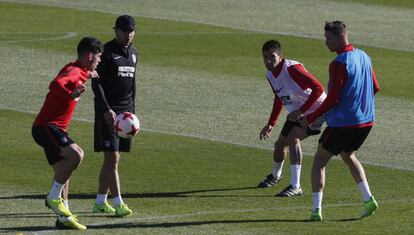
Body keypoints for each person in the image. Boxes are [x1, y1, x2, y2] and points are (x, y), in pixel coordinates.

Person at [300, 21, 380, 221]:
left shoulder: (339, 63)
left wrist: (310, 118)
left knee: (319, 161)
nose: (326, 43)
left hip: (344, 123)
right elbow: (375, 87)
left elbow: (333, 98)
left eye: (328, 39)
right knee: (347, 155)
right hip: (366, 122)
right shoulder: (364, 56)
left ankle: (316, 210)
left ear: (340, 37)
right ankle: (368, 198)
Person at [32, 37, 103, 230]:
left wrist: (89, 75)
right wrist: (70, 94)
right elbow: (55, 84)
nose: (100, 60)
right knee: (76, 155)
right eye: (98, 57)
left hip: (51, 128)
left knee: (64, 170)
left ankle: (64, 217)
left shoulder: (79, 70)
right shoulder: (73, 71)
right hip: (46, 126)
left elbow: (77, 74)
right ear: (89, 56)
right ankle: (53, 198)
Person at [258, 40, 327, 197]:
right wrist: (271, 124)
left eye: (272, 57)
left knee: (293, 139)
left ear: (280, 57)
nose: (268, 61)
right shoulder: (270, 74)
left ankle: (296, 186)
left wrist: (302, 111)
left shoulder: (292, 69)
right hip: (298, 111)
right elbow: (278, 98)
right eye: (265, 57)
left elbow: (318, 88)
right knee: (279, 144)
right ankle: (276, 176)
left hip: (318, 109)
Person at [91, 15, 138, 217]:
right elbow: (96, 83)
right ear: (116, 30)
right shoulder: (107, 53)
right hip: (109, 113)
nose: (128, 35)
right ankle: (118, 202)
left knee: (112, 160)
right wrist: (105, 110)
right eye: (124, 31)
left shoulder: (134, 54)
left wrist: (133, 111)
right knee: (112, 158)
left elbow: (132, 84)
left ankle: (100, 201)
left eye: (131, 31)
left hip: (126, 116)